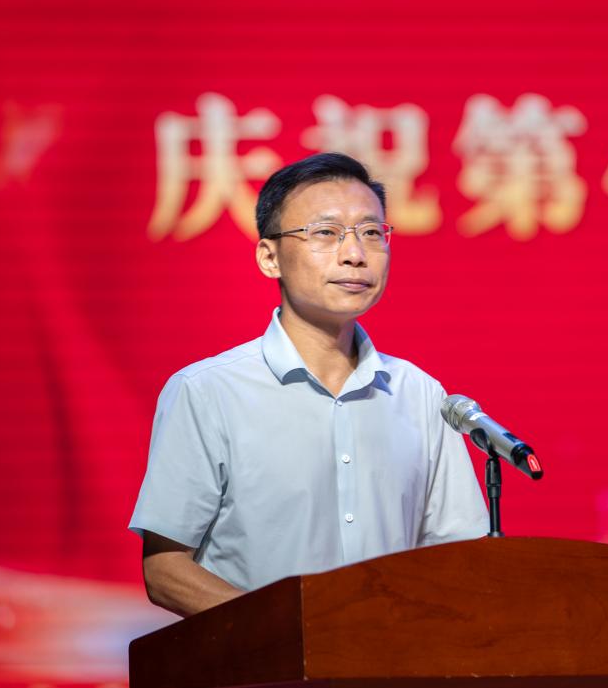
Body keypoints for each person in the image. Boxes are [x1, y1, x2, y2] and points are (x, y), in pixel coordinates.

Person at [128, 152, 489, 617]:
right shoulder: (208, 392)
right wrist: (287, 634)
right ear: (269, 257)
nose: (355, 254)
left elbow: (459, 558)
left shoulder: (420, 395)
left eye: (371, 232)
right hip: (261, 658)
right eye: (326, 233)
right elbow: (165, 571)